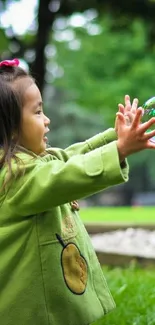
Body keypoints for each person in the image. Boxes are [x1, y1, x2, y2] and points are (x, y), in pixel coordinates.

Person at [0, 58, 155, 325]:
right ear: (12, 128)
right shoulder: (15, 177)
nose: (46, 120)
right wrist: (119, 150)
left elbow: (71, 157)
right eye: (37, 112)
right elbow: (69, 174)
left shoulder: (32, 163)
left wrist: (114, 138)